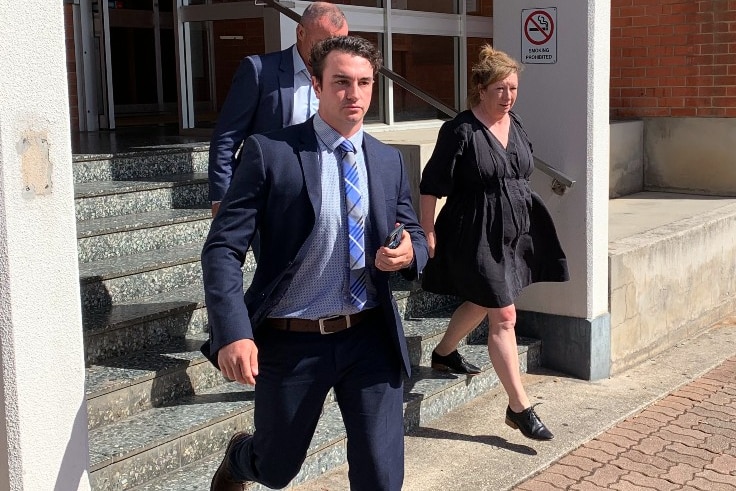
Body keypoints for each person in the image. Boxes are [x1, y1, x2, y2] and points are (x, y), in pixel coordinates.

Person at [201, 36, 428, 491]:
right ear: (317, 84)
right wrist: (234, 331)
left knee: (383, 479)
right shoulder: (272, 153)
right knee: (277, 468)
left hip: (369, 334)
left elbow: (416, 234)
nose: (355, 94)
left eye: (364, 83)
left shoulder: (387, 160)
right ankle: (240, 459)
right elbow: (222, 248)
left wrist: (410, 254)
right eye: (342, 82)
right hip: (292, 339)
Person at [419, 45, 569, 441]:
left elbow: (520, 170)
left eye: (513, 88)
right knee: (504, 315)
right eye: (500, 88)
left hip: (514, 230)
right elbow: (431, 183)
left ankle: (444, 352)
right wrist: (427, 228)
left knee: (485, 300)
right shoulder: (460, 130)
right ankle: (518, 407)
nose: (508, 96)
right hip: (475, 232)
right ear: (480, 89)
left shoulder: (514, 123)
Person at [208, 2, 349, 217]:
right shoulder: (259, 71)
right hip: (267, 196)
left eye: (339, 43)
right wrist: (221, 197)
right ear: (300, 32)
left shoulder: (342, 79)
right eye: (324, 43)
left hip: (324, 194)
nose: (331, 51)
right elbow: (226, 138)